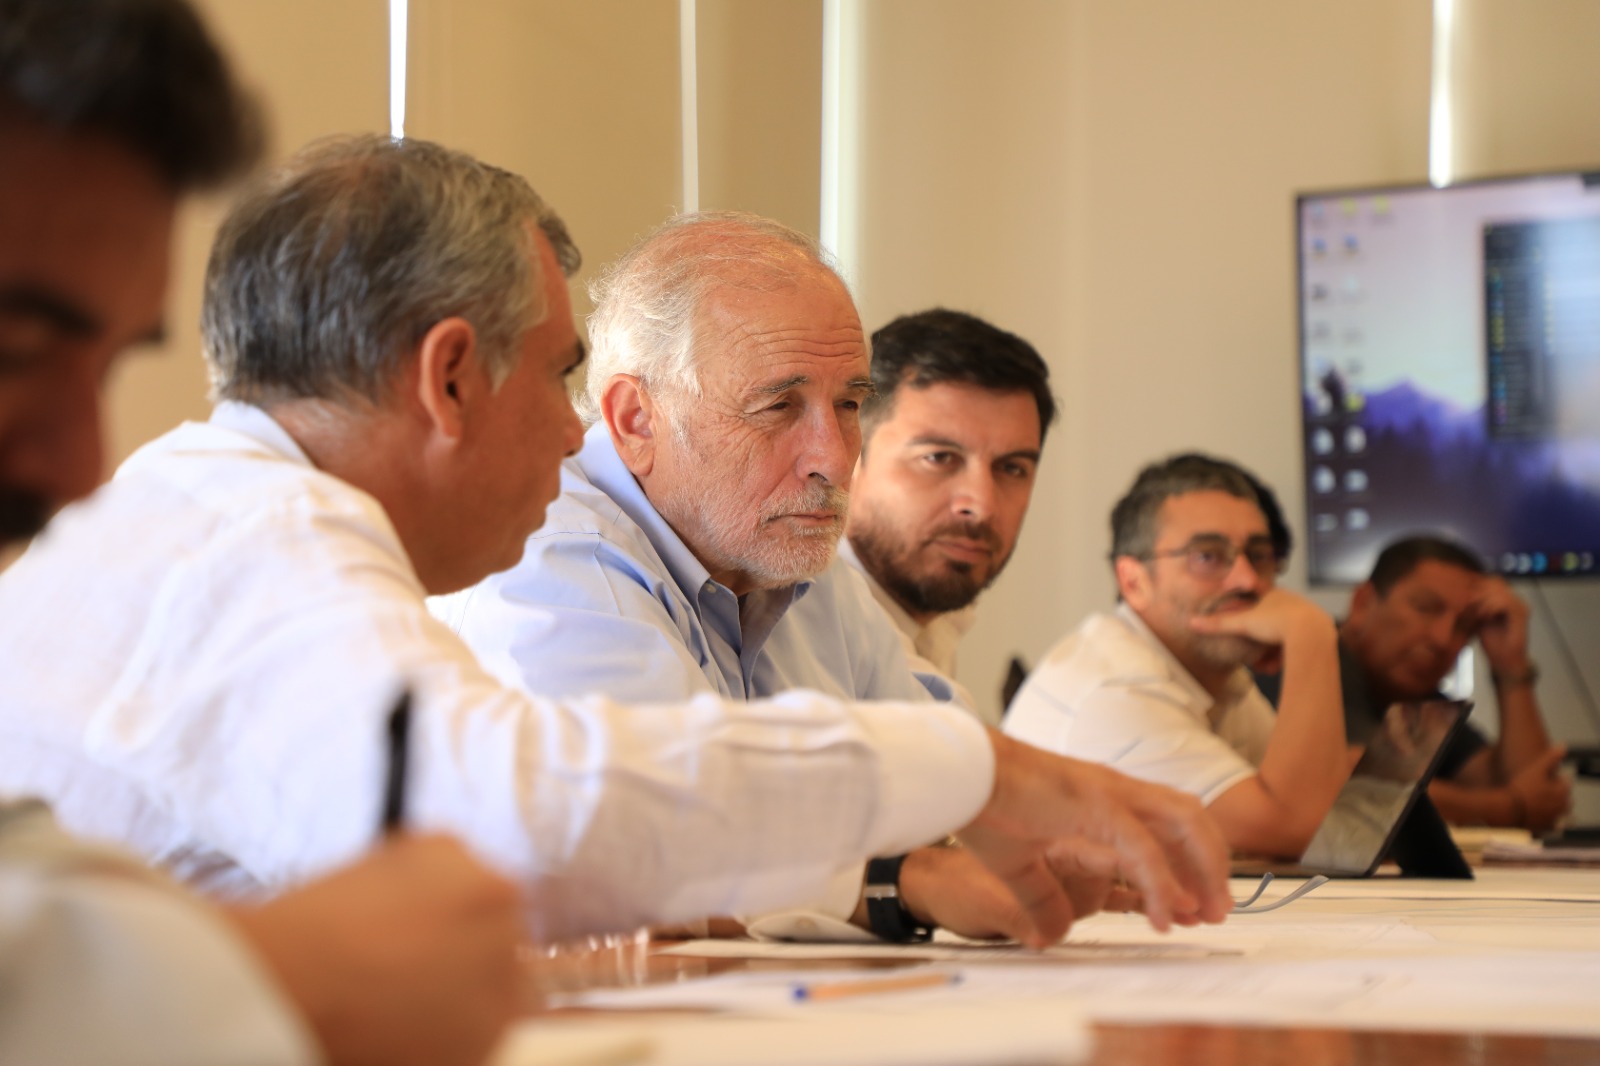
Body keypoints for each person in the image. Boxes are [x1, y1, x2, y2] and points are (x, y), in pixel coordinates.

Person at [0, 133, 1233, 947]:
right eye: (560, 374)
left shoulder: (239, 513)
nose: (576, 427)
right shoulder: (250, 536)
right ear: (448, 378)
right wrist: (971, 773)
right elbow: (517, 821)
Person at [0, 2, 523, 1063]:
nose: (82, 465)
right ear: (450, 375)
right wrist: (261, 981)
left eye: (109, 366)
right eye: (13, 350)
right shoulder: (266, 518)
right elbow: (515, 815)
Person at [436, 222, 1092, 943]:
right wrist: (903, 883)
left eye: (849, 406)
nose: (833, 460)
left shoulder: (787, 552)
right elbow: (664, 839)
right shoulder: (549, 558)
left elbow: (939, 769)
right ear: (637, 420)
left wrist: (1048, 827)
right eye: (779, 407)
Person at [1005, 453, 1355, 859]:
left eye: (1259, 555)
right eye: (1207, 556)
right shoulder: (1117, 691)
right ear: (1134, 583)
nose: (1248, 580)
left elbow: (1326, 815)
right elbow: (1297, 829)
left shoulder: (1212, 674)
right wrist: (1311, 634)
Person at [839, 308, 1056, 725]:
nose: (982, 505)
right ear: (848, 454)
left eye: (1012, 468)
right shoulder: (802, 619)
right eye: (939, 458)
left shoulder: (943, 619)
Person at [1341, 535, 1571, 831]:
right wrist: (1510, 807)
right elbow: (1350, 782)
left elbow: (1535, 791)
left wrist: (1511, 666)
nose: (1443, 638)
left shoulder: (1422, 700)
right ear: (1362, 603)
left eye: (1464, 625)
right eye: (1426, 608)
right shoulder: (1305, 663)